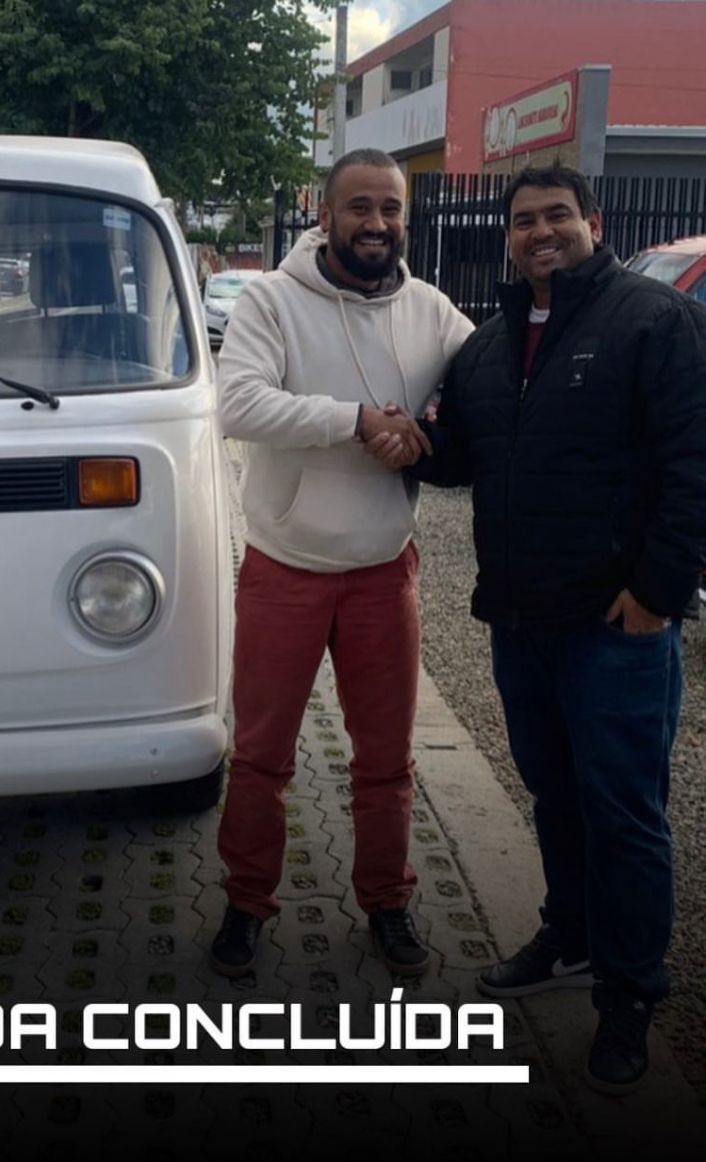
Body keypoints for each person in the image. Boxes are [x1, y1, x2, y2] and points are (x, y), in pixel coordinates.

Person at [393, 163, 706, 1094]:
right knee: (555, 797)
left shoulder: (653, 321)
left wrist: (658, 590)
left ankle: (630, 996)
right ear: (509, 236)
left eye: (557, 216)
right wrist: (407, 444)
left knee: (625, 814)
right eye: (524, 220)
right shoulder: (489, 344)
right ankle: (569, 938)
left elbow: (694, 462)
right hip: (519, 618)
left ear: (593, 223)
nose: (541, 233)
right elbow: (466, 459)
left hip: (615, 624)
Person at [211, 148, 474, 980]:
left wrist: (426, 433)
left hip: (383, 569)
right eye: (359, 207)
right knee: (261, 755)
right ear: (324, 216)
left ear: (406, 218)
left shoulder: (433, 312)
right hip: (284, 565)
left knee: (387, 759)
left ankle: (388, 900)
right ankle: (246, 902)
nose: (376, 223)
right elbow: (237, 404)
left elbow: (485, 397)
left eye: (390, 208)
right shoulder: (271, 301)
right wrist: (356, 420)